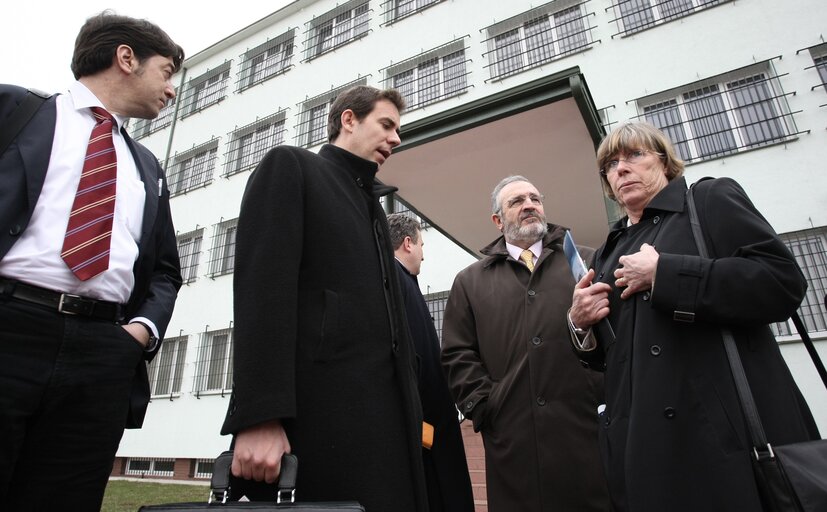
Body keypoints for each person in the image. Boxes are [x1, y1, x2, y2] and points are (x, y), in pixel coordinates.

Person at [568, 121, 820, 511]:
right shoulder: (607, 251)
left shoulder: (707, 201)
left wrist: (665, 273)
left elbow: (782, 283)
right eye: (611, 165)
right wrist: (580, 324)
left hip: (721, 447)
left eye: (634, 155)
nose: (621, 168)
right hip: (640, 452)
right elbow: (612, 355)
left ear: (665, 162)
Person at [0, 11, 184, 511]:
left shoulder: (148, 166)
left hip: (103, 354)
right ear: (126, 58)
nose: (171, 91)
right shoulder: (16, 110)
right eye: (167, 72)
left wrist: (141, 331)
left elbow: (165, 269)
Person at [221, 86, 428, 511]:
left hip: (385, 435)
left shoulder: (372, 207)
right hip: (318, 430)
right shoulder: (292, 167)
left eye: (398, 130)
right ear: (348, 120)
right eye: (386, 125)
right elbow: (262, 293)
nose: (396, 139)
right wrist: (260, 416)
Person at [441, 175, 610, 512]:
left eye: (535, 198)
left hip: (584, 431)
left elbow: (614, 334)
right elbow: (457, 353)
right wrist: (486, 406)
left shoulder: (588, 261)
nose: (529, 205)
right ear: (497, 220)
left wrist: (601, 394)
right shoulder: (470, 281)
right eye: (517, 202)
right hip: (513, 439)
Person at [387, 213, 476, 512]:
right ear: (408, 243)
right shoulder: (394, 284)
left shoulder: (404, 283)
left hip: (429, 426)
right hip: (424, 430)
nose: (424, 254)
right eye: (422, 245)